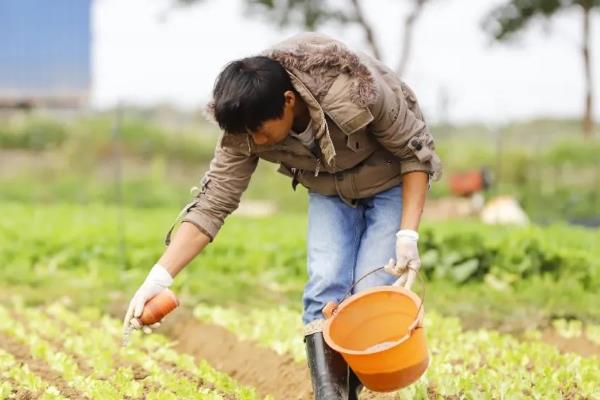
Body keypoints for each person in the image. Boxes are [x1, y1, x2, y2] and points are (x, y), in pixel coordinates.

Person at [123, 32, 442, 400]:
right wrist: (159, 277)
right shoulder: (247, 121)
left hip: (389, 181)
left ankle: (361, 388)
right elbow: (214, 202)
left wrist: (408, 235)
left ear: (289, 101)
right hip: (328, 189)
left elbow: (414, 153)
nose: (257, 142)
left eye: (261, 132)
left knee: (371, 295)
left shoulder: (356, 90)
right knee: (325, 286)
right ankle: (333, 396)